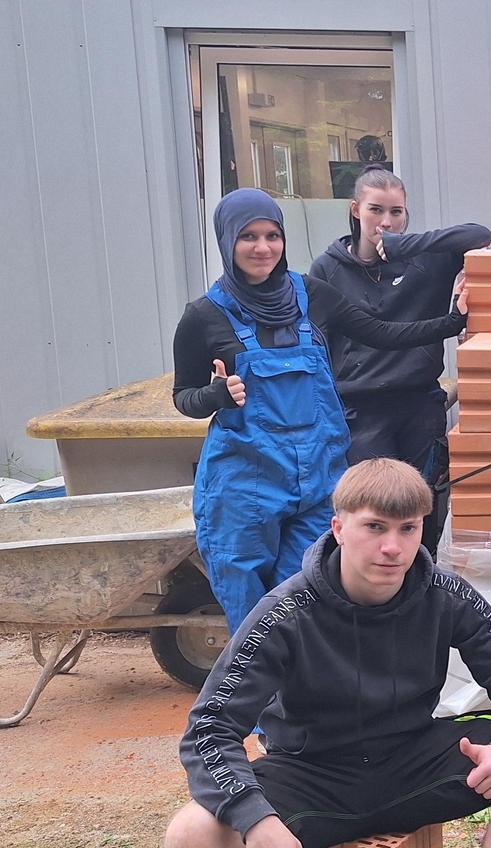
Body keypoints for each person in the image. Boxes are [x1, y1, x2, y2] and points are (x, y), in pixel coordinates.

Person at [163, 458, 491, 848]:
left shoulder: (445, 592)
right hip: (314, 777)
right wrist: (257, 821)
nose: (392, 547)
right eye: (374, 527)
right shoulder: (284, 614)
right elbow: (211, 729)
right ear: (339, 528)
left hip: (412, 763)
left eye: (408, 529)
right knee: (191, 836)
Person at [172, 188, 467, 634]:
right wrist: (215, 396)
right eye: (248, 236)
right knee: (251, 609)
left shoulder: (310, 295)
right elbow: (184, 396)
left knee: (310, 597)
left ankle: (306, 698)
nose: (262, 247)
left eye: (272, 235)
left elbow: (383, 333)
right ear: (227, 241)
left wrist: (454, 321)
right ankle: (255, 699)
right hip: (245, 486)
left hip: (317, 477)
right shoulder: (204, 317)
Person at [309, 165, 491, 556]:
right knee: (371, 512)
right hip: (359, 408)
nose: (386, 222)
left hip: (418, 403)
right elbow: (316, 343)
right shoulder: (327, 269)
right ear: (356, 209)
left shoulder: (425, 260)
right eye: (376, 211)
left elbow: (480, 235)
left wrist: (406, 246)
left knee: (418, 512)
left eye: (397, 212)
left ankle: (418, 598)